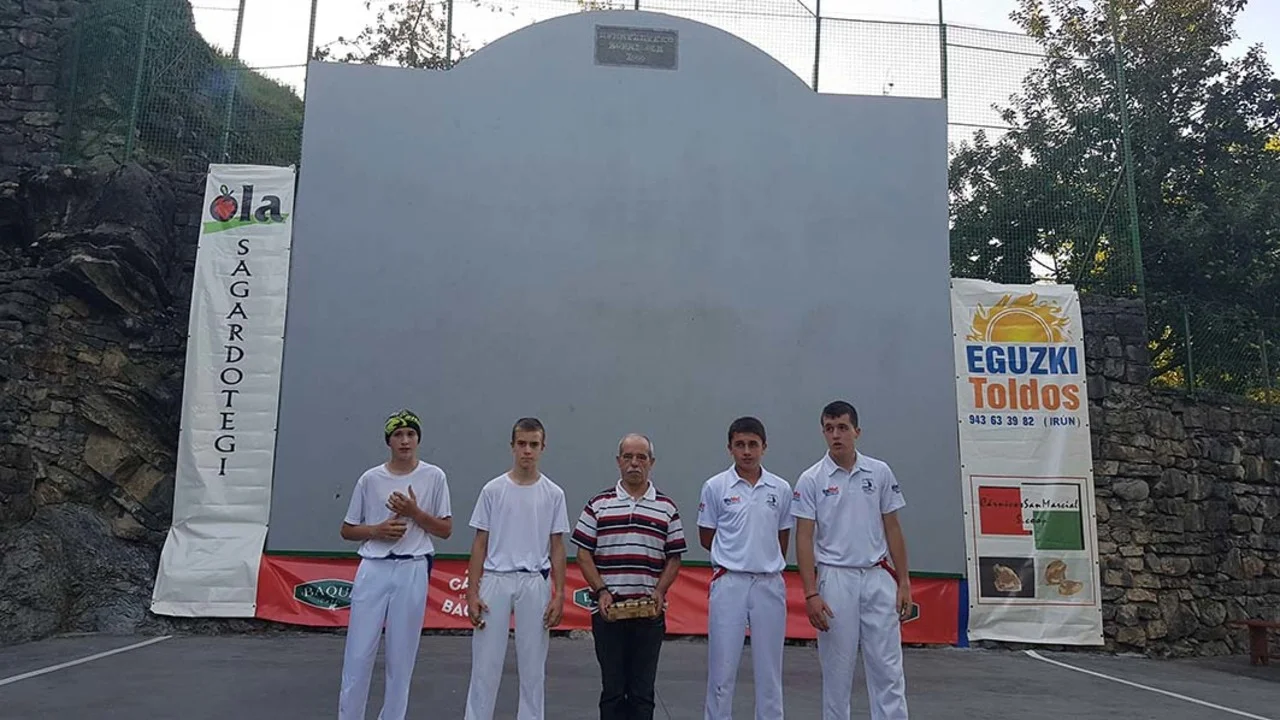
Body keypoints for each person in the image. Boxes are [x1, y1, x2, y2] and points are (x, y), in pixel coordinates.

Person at [792, 400, 912, 720]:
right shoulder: (811, 479)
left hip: (878, 577)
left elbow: (893, 527)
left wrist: (904, 582)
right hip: (835, 580)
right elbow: (803, 538)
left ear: (857, 431)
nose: (836, 435)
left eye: (842, 428)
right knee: (837, 671)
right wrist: (810, 593)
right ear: (823, 432)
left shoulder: (880, 472)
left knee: (888, 668)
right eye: (829, 428)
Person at [337, 408, 454, 720]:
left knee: (401, 658)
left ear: (418, 439)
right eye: (398, 435)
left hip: (412, 568)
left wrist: (415, 513)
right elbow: (347, 529)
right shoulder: (370, 479)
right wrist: (377, 530)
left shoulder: (434, 477)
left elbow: (445, 529)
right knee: (358, 653)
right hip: (373, 568)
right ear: (388, 440)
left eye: (411, 434)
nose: (405, 440)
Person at [573, 433, 687, 720]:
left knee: (642, 693)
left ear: (651, 462)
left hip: (648, 615)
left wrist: (659, 591)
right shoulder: (598, 504)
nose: (634, 463)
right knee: (612, 691)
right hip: (608, 613)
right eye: (628, 457)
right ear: (618, 461)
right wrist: (601, 590)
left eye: (641, 457)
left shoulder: (667, 508)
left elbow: (674, 557)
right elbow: (583, 554)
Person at [464, 417, 570, 720]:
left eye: (533, 444)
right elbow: (480, 543)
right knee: (484, 666)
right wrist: (472, 592)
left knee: (533, 669)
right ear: (512, 446)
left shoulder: (554, 493)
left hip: (534, 582)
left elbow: (557, 546)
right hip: (495, 580)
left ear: (543, 447)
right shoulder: (493, 490)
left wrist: (559, 594)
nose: (527, 450)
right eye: (522, 444)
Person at [697, 416, 793, 720]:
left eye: (753, 444)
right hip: (730, 583)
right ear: (730, 448)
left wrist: (762, 560)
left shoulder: (781, 488)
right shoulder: (715, 486)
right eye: (740, 445)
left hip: (769, 584)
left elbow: (782, 536)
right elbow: (706, 536)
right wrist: (736, 556)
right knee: (722, 670)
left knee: (770, 671)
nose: (747, 451)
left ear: (764, 447)